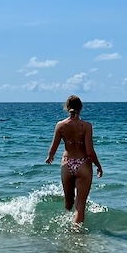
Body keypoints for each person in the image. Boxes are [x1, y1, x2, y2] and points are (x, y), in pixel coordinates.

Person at [45, 95, 103, 224]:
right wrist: (98, 165)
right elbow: (90, 151)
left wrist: (50, 157)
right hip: (83, 164)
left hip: (67, 164)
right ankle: (76, 233)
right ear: (81, 108)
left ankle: (66, 227)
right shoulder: (87, 126)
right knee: (80, 206)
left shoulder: (60, 125)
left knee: (68, 201)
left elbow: (53, 148)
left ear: (66, 108)